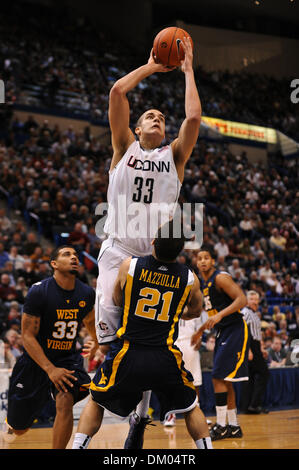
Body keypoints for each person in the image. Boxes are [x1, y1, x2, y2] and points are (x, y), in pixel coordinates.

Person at [95, 36, 202, 447]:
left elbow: (192, 120)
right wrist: (153, 67)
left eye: (161, 115)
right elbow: (118, 91)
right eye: (150, 116)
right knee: (112, 341)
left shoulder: (174, 156)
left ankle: (140, 416)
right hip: (118, 250)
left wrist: (189, 71)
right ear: (136, 128)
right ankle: (119, 406)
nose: (157, 117)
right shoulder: (123, 148)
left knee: (148, 345)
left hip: (154, 260)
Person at [72, 221, 213, 450]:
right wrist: (174, 312)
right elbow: (196, 311)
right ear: (180, 252)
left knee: (96, 399)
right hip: (164, 355)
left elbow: (118, 301)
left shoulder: (130, 266)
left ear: (153, 242)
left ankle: (78, 447)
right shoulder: (189, 278)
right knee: (191, 406)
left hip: (129, 352)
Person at [1, 245, 98, 449]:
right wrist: (50, 369)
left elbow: (90, 321)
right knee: (19, 428)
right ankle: (17, 421)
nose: (73, 257)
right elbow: (27, 336)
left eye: (75, 255)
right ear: (53, 264)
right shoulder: (39, 292)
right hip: (35, 361)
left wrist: (97, 342)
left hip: (66, 359)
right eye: (66, 254)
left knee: (65, 400)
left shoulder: (87, 293)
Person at [191, 245, 248, 441]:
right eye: (200, 258)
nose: (203, 261)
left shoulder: (220, 278)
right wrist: (199, 331)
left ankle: (221, 425)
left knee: (217, 377)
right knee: (224, 380)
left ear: (213, 261)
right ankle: (234, 426)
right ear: (196, 262)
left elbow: (242, 300)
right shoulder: (201, 283)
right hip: (223, 330)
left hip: (235, 328)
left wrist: (220, 315)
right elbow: (209, 315)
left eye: (207, 257)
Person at [240, 290, 270, 414]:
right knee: (264, 373)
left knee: (250, 378)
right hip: (250, 346)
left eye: (256, 299)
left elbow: (257, 334)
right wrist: (249, 350)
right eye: (252, 299)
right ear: (246, 300)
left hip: (256, 346)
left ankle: (248, 406)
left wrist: (261, 348)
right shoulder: (245, 313)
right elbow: (243, 332)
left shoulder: (255, 314)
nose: (254, 301)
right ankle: (254, 404)